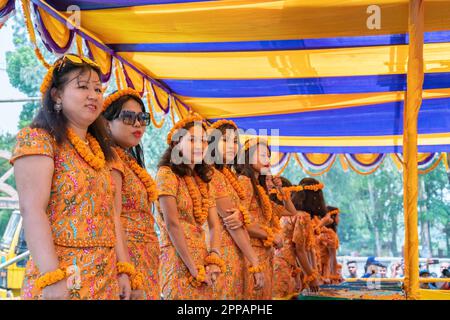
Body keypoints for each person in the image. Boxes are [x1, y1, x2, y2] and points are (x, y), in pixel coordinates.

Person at [11, 54, 130, 300]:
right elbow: (32, 210)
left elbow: (113, 218)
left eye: (98, 89)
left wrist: (124, 270)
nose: (93, 95)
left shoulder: (102, 152)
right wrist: (53, 278)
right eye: (82, 87)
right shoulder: (38, 139)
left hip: (105, 277)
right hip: (65, 277)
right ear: (56, 95)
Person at [155, 115, 222, 299]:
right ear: (177, 143)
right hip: (177, 258)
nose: (200, 145)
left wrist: (214, 258)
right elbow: (172, 224)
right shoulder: (167, 174)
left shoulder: (204, 181)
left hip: (202, 258)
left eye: (204, 140)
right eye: (192, 140)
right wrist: (192, 268)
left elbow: (215, 225)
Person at [103, 88, 160, 299]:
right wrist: (124, 268)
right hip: (127, 256)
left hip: (146, 257)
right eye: (128, 117)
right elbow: (113, 217)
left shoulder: (128, 161)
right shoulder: (110, 161)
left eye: (142, 118)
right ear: (106, 123)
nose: (137, 124)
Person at [206, 119, 264, 299]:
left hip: (237, 250)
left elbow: (238, 219)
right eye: (225, 140)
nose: (231, 146)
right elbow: (233, 223)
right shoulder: (210, 174)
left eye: (234, 142)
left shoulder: (228, 175)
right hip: (221, 250)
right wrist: (255, 262)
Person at [235, 138, 284, 299]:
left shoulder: (258, 186)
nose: (267, 159)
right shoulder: (244, 181)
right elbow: (241, 222)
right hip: (251, 253)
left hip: (264, 253)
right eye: (262, 155)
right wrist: (270, 235)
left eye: (268, 156)